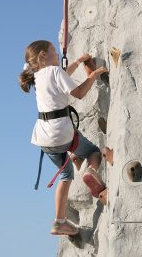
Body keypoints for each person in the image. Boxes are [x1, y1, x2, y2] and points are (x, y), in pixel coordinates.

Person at [19, 40, 108, 236]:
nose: (58, 54)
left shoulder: (37, 76)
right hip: (61, 133)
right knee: (93, 152)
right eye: (54, 51)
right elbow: (79, 93)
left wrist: (77, 62)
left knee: (66, 175)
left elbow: (61, 76)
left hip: (44, 138)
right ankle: (91, 171)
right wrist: (93, 75)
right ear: (44, 56)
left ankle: (59, 222)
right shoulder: (56, 72)